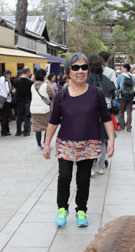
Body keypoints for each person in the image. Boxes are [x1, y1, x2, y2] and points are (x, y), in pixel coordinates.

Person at [43, 53, 115, 227]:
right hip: (66, 144)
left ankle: (81, 211)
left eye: (84, 67)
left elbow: (106, 117)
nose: (80, 71)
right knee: (64, 177)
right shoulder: (62, 95)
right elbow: (53, 121)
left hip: (88, 144)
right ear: (69, 71)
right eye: (75, 68)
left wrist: (111, 140)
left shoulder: (96, 93)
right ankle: (62, 208)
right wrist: (46, 144)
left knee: (83, 180)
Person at [86, 55, 116, 175]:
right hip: (104, 115)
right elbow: (113, 96)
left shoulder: (86, 80)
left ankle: (90, 168)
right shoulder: (106, 80)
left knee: (89, 142)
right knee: (102, 141)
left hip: (89, 116)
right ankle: (101, 166)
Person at [31, 69, 55, 150]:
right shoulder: (46, 86)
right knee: (47, 127)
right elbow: (53, 95)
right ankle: (45, 143)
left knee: (37, 128)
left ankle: (38, 145)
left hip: (34, 109)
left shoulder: (32, 86)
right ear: (44, 76)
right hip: (45, 109)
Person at [117, 63, 135, 132]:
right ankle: (128, 127)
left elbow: (117, 84)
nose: (121, 69)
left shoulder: (120, 76)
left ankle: (122, 126)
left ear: (125, 68)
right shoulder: (132, 76)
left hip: (122, 95)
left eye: (122, 68)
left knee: (121, 111)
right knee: (129, 112)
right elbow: (133, 85)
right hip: (130, 96)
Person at [14, 67, 32, 136]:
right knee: (27, 116)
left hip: (19, 101)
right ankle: (26, 131)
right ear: (28, 72)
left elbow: (15, 90)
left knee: (19, 117)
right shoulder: (30, 82)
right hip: (27, 101)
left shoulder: (17, 81)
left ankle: (18, 131)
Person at [0, 70, 12, 136]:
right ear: (8, 74)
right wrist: (11, 92)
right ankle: (5, 131)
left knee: (1, 115)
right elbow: (8, 90)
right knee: (5, 116)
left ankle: (3, 130)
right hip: (5, 100)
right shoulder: (6, 80)